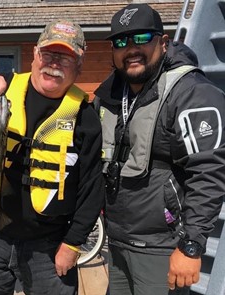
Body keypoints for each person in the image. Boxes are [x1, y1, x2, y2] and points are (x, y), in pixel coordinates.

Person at [0, 19, 104, 295]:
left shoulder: (86, 118)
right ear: (35, 54)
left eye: (66, 58)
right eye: (49, 54)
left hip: (49, 246)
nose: (54, 63)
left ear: (80, 64)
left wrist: (73, 243)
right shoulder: (0, 93)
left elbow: (92, 188)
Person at [94, 3, 225, 295]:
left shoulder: (191, 93)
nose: (131, 48)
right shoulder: (110, 93)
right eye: (121, 41)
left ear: (163, 42)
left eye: (142, 38)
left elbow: (209, 173)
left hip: (162, 248)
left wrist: (191, 245)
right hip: (116, 242)